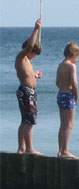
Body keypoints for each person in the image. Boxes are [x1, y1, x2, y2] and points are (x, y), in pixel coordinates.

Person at [15, 19, 42, 155]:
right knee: (29, 121)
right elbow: (30, 47)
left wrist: (35, 75)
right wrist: (36, 29)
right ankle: (29, 148)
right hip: (26, 91)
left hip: (28, 91)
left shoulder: (27, 62)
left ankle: (22, 148)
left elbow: (27, 75)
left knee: (26, 120)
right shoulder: (21, 57)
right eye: (34, 53)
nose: (34, 56)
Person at [56, 42, 79, 159]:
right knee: (69, 124)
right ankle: (65, 150)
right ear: (74, 54)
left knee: (63, 124)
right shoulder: (71, 66)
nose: (78, 59)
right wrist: (76, 95)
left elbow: (57, 82)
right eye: (78, 56)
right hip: (68, 95)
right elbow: (74, 83)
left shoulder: (60, 65)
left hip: (60, 93)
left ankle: (60, 150)